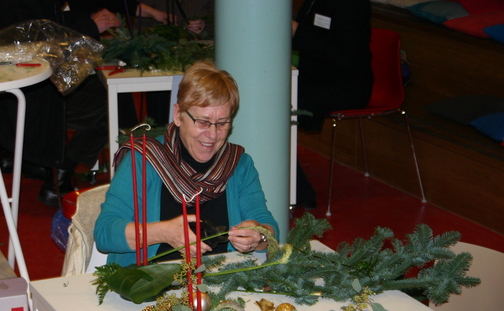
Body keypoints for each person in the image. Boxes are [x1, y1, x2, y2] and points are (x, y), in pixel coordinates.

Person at [0, 0, 172, 207]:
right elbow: (27, 40)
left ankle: (130, 169)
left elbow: (51, 23)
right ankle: (60, 178)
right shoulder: (12, 6)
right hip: (25, 94)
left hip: (40, 84)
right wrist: (89, 26)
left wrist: (148, 12)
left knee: (114, 93)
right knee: (110, 108)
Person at [95, 61, 279, 271]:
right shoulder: (144, 160)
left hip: (224, 281)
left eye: (222, 123)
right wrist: (163, 232)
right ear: (178, 115)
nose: (212, 134)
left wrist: (259, 235)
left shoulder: (239, 165)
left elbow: (269, 228)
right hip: (150, 286)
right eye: (203, 122)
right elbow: (104, 233)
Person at [291, 0, 373, 208]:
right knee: (272, 93)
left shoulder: (352, 5)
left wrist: (297, 31)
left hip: (345, 87)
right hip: (314, 79)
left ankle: (299, 191)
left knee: (277, 104)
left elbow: (343, 57)